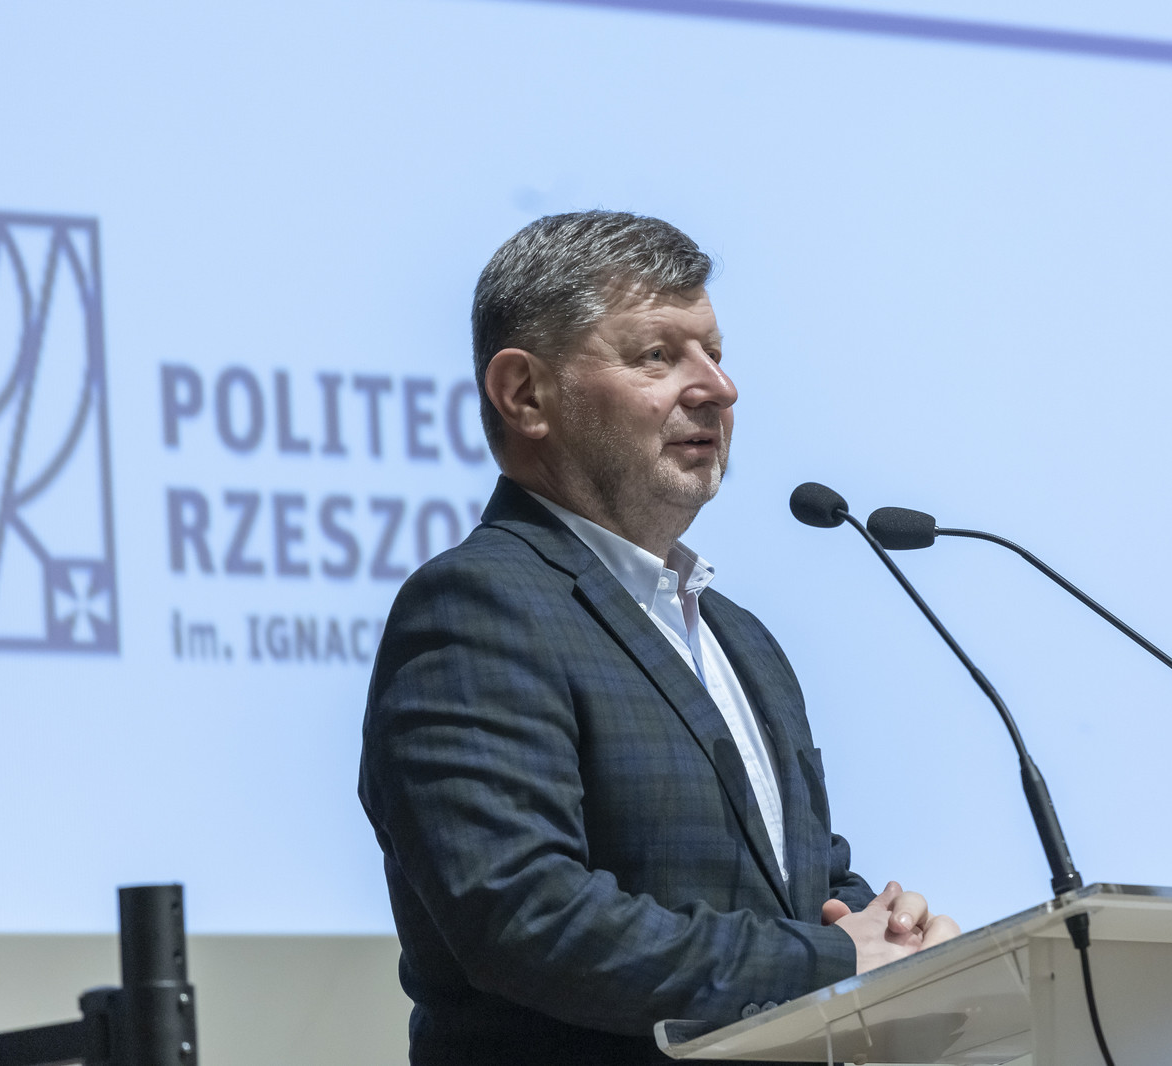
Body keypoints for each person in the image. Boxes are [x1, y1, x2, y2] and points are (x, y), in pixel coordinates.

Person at [359, 211, 958, 1065]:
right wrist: (833, 958)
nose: (718, 387)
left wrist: (892, 935)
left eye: (714, 352)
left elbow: (800, 884)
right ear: (524, 394)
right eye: (657, 355)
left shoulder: (740, 639)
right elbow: (527, 918)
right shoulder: (478, 607)